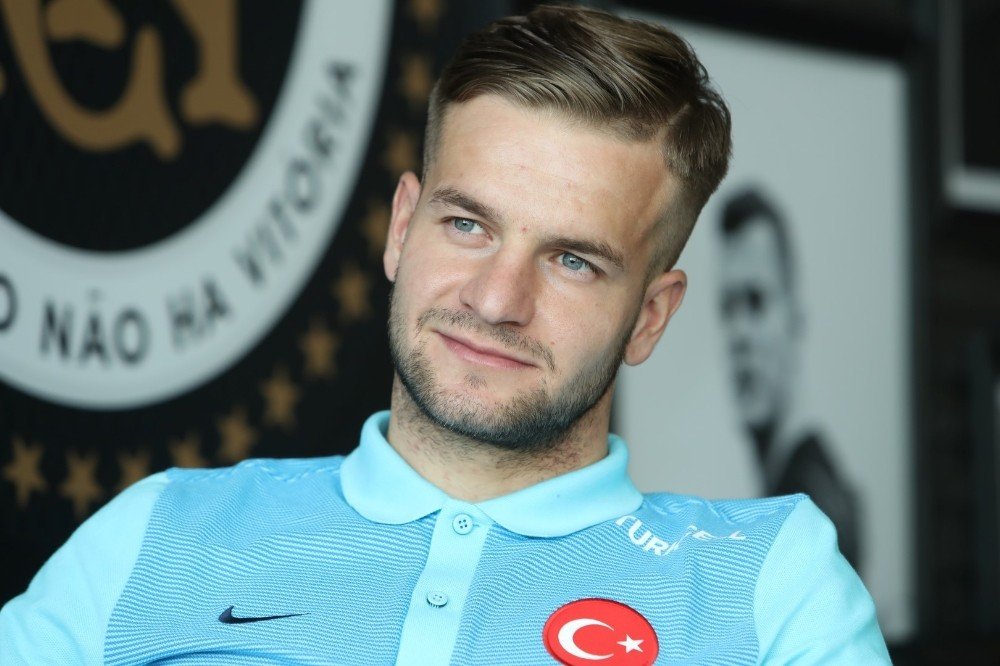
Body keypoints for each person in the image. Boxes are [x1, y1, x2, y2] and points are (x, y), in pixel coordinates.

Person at [1, 5, 889, 664]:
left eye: (572, 261)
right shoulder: (156, 533)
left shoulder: (772, 584)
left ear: (650, 316)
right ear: (402, 228)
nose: (497, 300)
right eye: (468, 225)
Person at [718, 188, 862, 568]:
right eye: (727, 308)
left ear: (795, 318)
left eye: (756, 302)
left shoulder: (813, 511)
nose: (738, 334)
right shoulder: (789, 495)